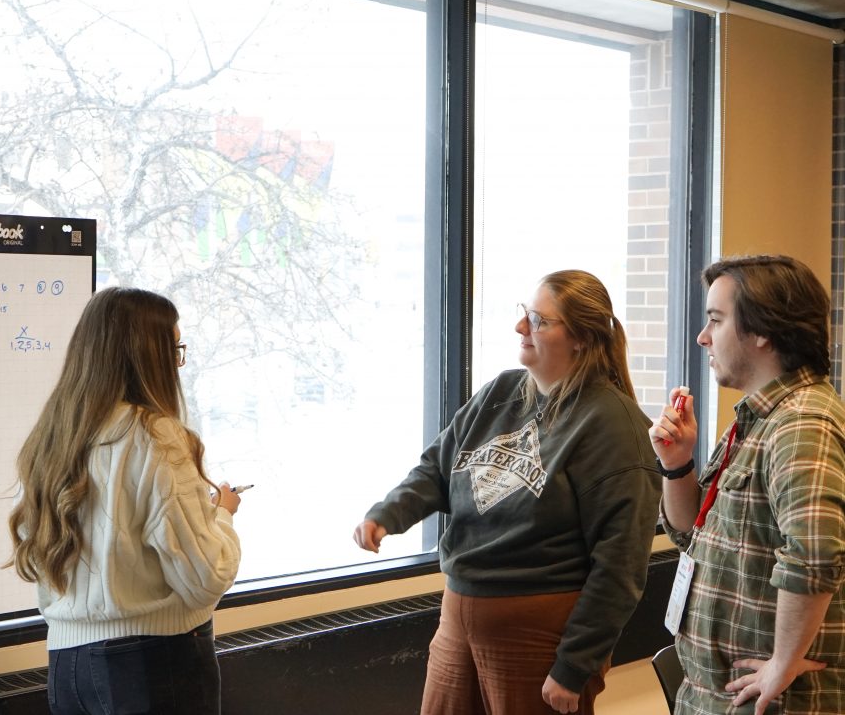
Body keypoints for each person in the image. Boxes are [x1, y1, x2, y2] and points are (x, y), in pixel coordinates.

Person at [354, 269, 661, 715]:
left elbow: (621, 564)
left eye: (539, 320)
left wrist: (575, 666)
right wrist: (387, 514)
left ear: (579, 338)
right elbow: (438, 469)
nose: (521, 327)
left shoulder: (612, 424)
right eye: (524, 314)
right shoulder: (500, 392)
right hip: (458, 616)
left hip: (538, 635)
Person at [6, 287, 242, 715]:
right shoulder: (156, 436)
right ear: (149, 356)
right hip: (153, 664)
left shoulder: (55, 436)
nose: (177, 364)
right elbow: (205, 576)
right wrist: (221, 515)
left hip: (67, 667)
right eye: (174, 349)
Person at [652, 254, 845, 715]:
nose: (703, 337)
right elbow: (688, 534)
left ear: (763, 331)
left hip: (767, 703)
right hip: (713, 696)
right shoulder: (758, 418)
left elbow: (815, 554)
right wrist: (677, 466)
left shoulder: (802, 423)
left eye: (716, 320)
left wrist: (782, 662)